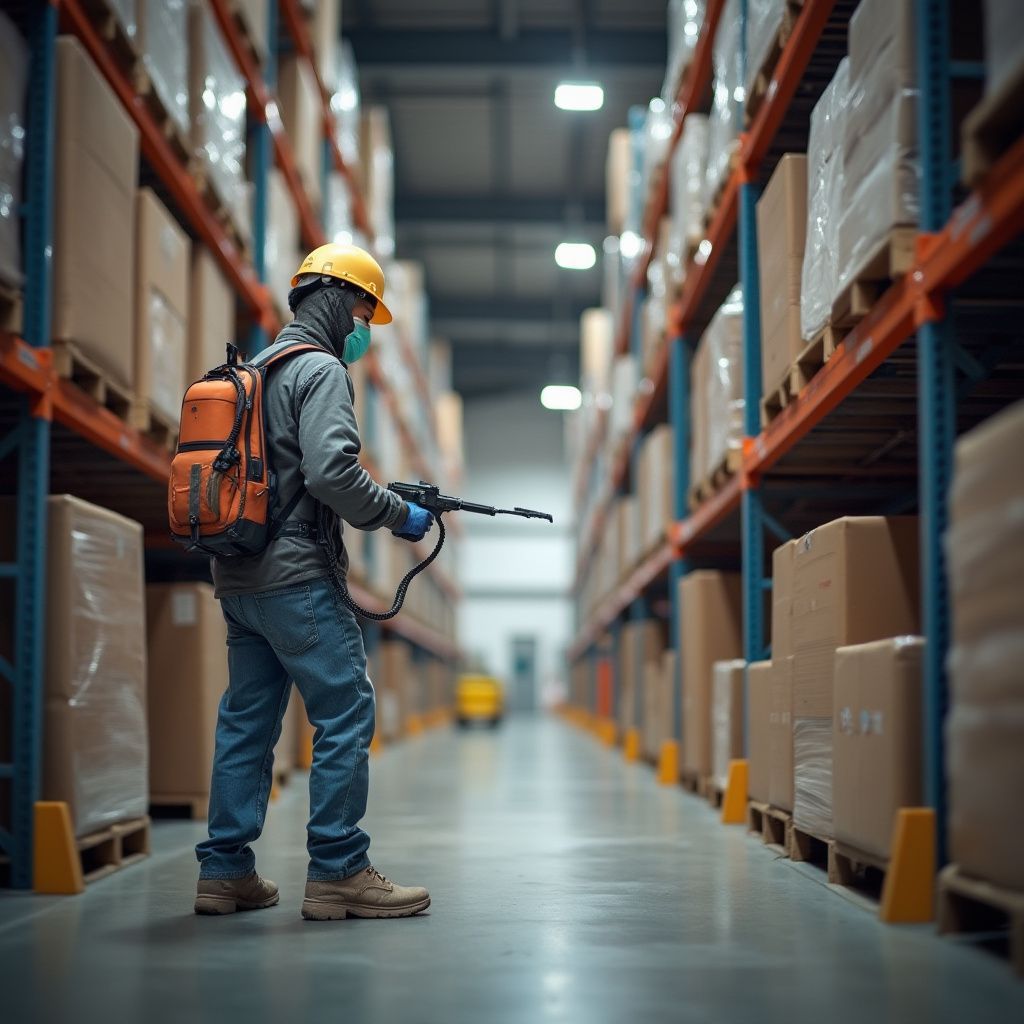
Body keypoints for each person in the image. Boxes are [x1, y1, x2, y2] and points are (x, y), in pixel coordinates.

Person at [193, 244, 434, 921]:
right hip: (295, 577)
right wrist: (397, 513)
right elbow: (332, 474)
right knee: (345, 710)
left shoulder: (259, 370)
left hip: (238, 579)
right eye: (363, 309)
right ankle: (338, 869)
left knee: (246, 723)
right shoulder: (320, 370)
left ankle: (225, 871)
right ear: (333, 298)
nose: (363, 327)